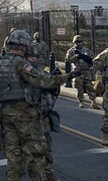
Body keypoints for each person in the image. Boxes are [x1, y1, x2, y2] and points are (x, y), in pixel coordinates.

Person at [0, 30, 80, 181]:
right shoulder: (20, 63)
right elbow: (43, 81)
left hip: (5, 114)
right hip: (25, 114)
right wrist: (66, 76)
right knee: (35, 155)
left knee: (13, 156)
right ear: (23, 45)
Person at [26, 45, 60, 181]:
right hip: (27, 118)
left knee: (46, 146)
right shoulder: (23, 74)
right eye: (30, 57)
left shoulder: (44, 74)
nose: (33, 59)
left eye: (35, 57)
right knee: (29, 150)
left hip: (43, 116)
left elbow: (53, 91)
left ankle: (48, 172)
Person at [65, 35, 99, 109]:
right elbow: (68, 60)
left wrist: (88, 61)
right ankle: (81, 101)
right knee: (79, 87)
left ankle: (93, 101)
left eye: (80, 42)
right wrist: (76, 57)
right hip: (77, 71)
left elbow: (92, 58)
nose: (79, 43)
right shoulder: (71, 51)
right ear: (75, 42)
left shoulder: (86, 50)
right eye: (77, 42)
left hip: (86, 70)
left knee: (89, 86)